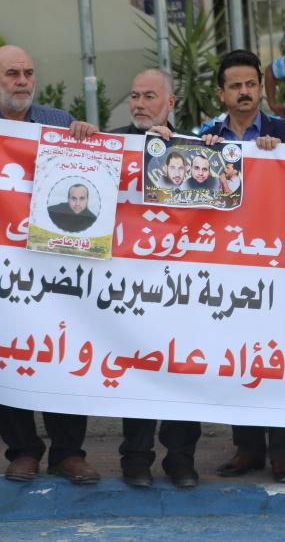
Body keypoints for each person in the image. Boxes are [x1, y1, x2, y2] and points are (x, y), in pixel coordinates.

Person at [0, 44, 100, 486]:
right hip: (0, 267)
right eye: (12, 73)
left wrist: (90, 138)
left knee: (63, 353)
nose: (22, 81)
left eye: (28, 73)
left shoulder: (61, 123)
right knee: (8, 354)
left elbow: (91, 179)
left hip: (57, 267)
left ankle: (68, 453)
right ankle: (23, 452)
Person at [202, 49, 285, 484]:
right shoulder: (206, 138)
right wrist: (202, 157)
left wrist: (280, 157)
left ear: (262, 88)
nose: (244, 92)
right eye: (235, 86)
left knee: (277, 356)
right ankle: (247, 449)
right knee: (236, 357)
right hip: (228, 268)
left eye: (250, 84)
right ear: (221, 93)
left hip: (281, 263)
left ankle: (283, 454)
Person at [108, 67, 202, 489]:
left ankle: (181, 459)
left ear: (171, 103)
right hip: (131, 285)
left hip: (184, 287)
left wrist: (186, 150)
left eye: (149, 96)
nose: (140, 104)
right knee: (138, 369)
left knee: (184, 370)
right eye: (134, 96)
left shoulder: (198, 152)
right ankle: (136, 457)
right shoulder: (112, 145)